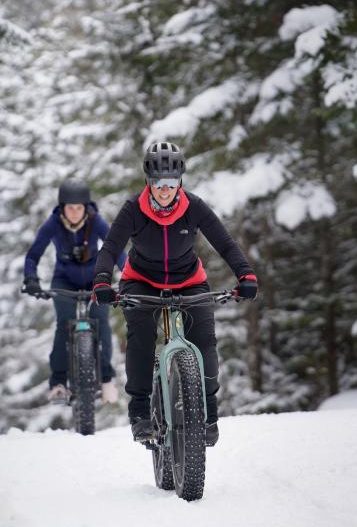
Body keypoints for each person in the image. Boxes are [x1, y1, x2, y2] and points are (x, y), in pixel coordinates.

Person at [92, 142, 257, 446]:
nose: (164, 190)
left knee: (204, 339)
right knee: (141, 336)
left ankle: (209, 413)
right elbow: (110, 249)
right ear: (148, 181)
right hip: (141, 282)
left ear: (180, 180)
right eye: (158, 183)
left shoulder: (194, 207)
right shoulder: (133, 209)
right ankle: (140, 412)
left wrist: (245, 274)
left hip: (189, 281)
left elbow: (226, 244)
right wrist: (102, 281)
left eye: (170, 183)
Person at [23, 180, 127, 404]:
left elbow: (116, 249)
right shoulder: (53, 224)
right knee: (64, 323)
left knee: (101, 320)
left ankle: (106, 378)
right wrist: (31, 278)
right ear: (62, 207)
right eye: (70, 207)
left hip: (95, 279)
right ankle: (59, 383)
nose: (74, 212)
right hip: (64, 281)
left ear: (86, 207)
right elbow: (33, 254)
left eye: (79, 207)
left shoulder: (95, 221)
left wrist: (128, 276)